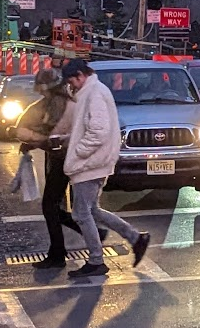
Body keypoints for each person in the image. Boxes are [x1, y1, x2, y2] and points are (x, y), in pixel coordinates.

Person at [61, 59, 150, 278]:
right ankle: (135, 238)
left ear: (80, 75)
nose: (71, 85)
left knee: (82, 213)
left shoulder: (93, 94)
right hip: (96, 163)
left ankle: (96, 260)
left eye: (72, 80)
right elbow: (95, 129)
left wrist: (78, 151)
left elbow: (97, 132)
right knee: (92, 211)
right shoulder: (95, 91)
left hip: (90, 164)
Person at [15, 68, 102, 269]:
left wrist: (34, 139)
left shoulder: (56, 105)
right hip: (70, 157)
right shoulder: (70, 101)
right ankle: (62, 248)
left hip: (63, 158)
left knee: (51, 205)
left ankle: (59, 253)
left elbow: (50, 132)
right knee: (56, 205)